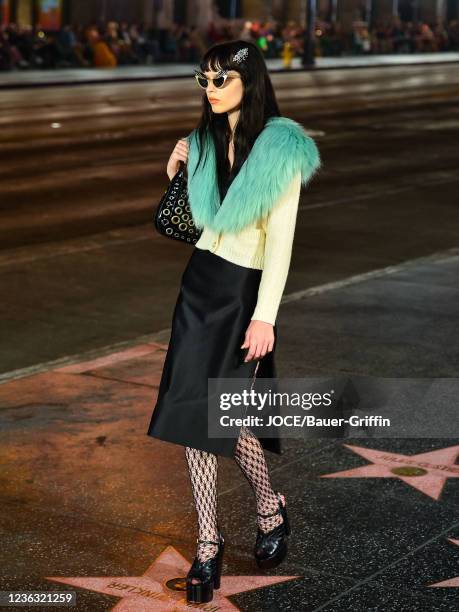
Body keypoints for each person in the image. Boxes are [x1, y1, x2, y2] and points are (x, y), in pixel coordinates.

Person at [147, 40, 321, 604]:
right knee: (187, 412)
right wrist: (177, 169)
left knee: (224, 413)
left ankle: (269, 505)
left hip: (245, 293)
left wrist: (266, 316)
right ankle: (208, 542)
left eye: (220, 79)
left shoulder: (281, 148)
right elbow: (195, 226)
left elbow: (282, 243)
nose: (210, 90)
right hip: (200, 286)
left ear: (250, 79)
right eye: (203, 80)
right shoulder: (200, 141)